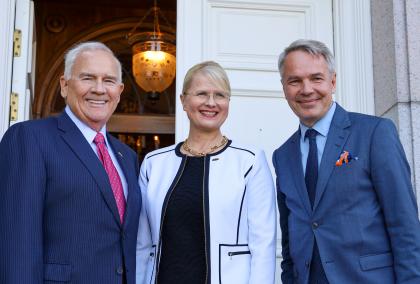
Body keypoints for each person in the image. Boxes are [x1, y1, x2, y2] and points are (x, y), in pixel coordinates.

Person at [272, 39, 420, 284]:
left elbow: (404, 224)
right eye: (295, 81)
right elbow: (290, 238)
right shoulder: (283, 155)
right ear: (284, 87)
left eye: (316, 78)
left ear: (333, 81)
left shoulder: (374, 133)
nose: (306, 89)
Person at [0, 41, 141, 284]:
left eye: (108, 81)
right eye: (87, 77)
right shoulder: (29, 138)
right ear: (64, 85)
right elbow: (16, 242)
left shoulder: (126, 156)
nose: (99, 89)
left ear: (119, 91)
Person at [136, 61, 276, 284]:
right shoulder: (154, 163)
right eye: (202, 93)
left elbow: (263, 245)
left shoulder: (249, 161)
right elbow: (142, 244)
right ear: (183, 101)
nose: (211, 103)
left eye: (220, 95)